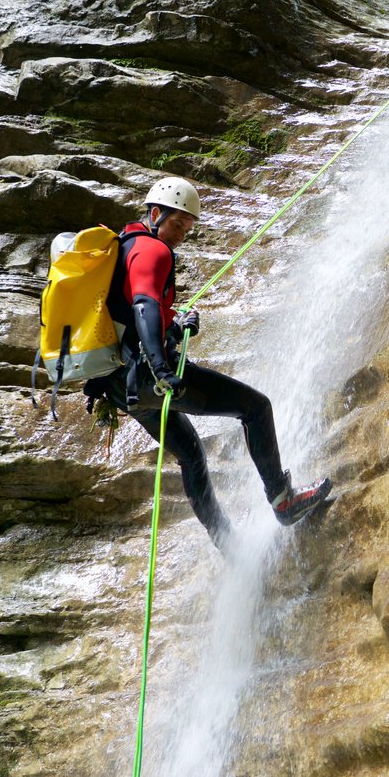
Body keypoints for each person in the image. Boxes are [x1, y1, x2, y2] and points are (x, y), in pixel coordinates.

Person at [84, 176, 330, 550]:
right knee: (255, 408)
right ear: (154, 213)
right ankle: (284, 500)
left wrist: (175, 325)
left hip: (122, 387)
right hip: (151, 378)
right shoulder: (154, 251)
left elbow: (138, 313)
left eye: (187, 227)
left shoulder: (127, 247)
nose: (181, 233)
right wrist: (163, 369)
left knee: (191, 455)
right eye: (176, 224)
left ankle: (227, 545)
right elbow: (144, 306)